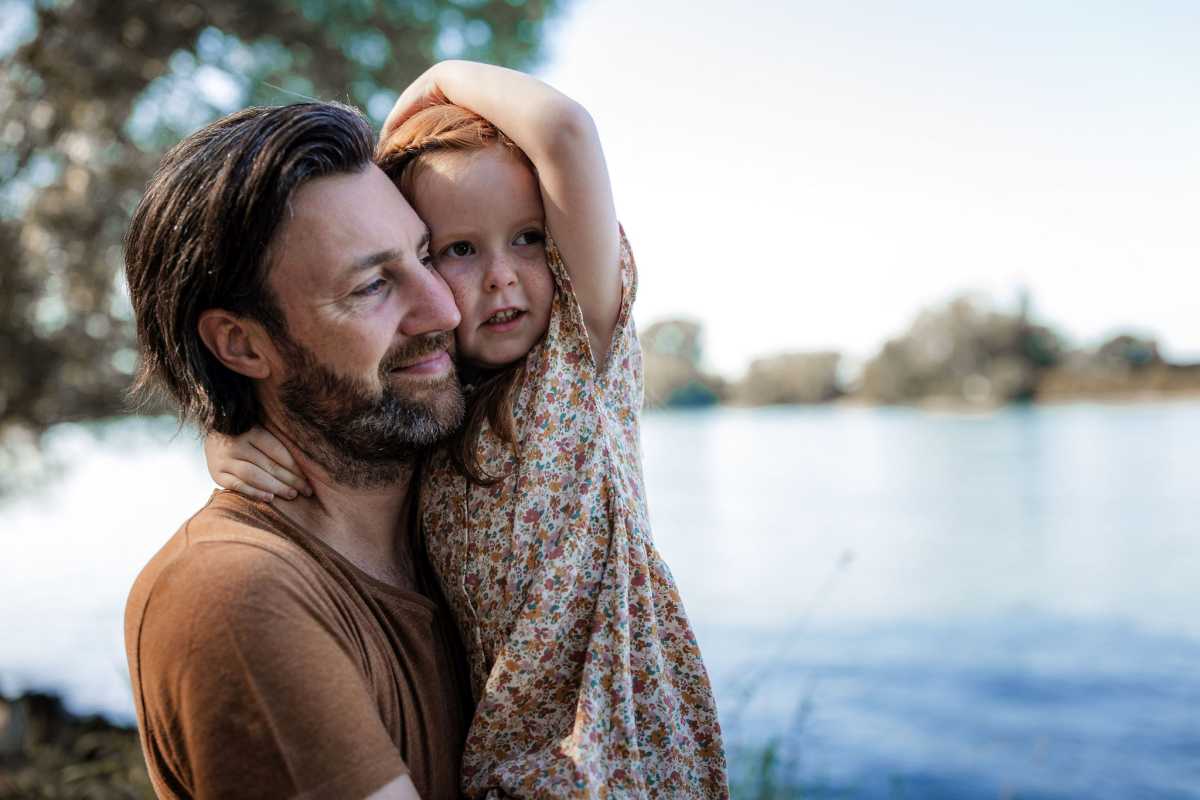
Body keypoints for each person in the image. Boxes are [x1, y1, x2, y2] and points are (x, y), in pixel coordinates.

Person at [208, 61, 729, 798]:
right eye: (457, 250)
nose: (502, 276)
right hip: (504, 758)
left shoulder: (581, 363)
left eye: (527, 239)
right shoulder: (434, 407)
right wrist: (227, 433)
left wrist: (438, 80)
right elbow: (322, 413)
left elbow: (566, 131)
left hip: (609, 743)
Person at [123, 101, 474, 800]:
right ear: (243, 344)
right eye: (372, 285)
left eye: (428, 255)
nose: (445, 310)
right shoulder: (234, 595)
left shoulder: (481, 522)